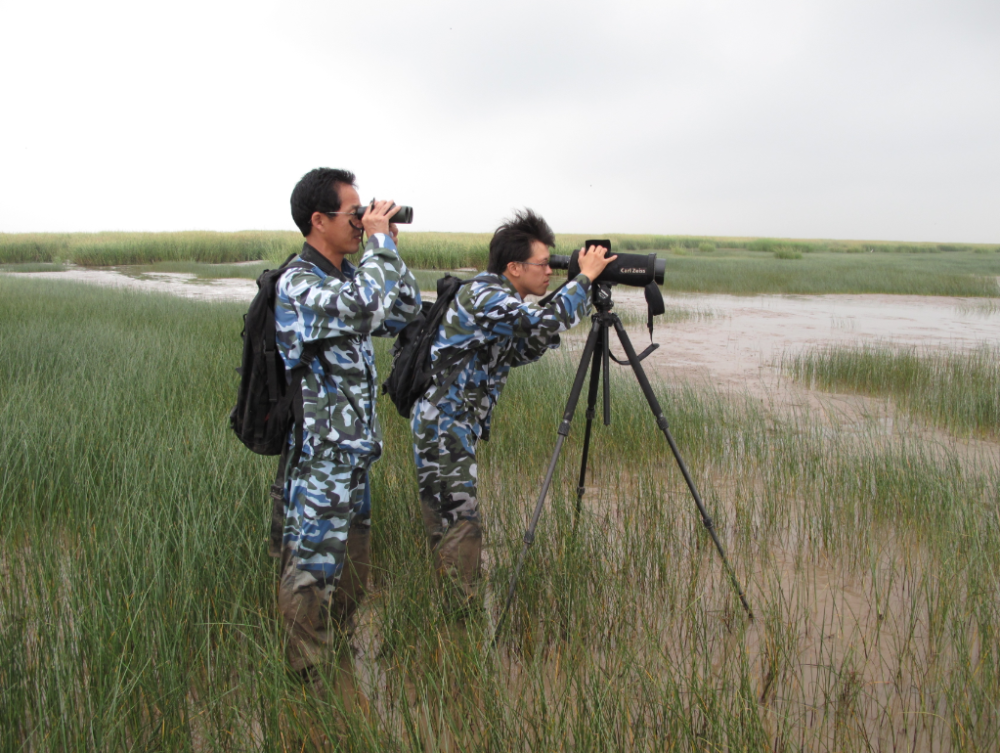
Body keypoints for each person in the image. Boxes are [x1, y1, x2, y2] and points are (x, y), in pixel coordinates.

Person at [409, 209, 615, 605]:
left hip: (454, 426)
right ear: (514, 267)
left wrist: (583, 291)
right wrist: (584, 278)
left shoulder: (502, 299)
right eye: (544, 263)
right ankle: (459, 615)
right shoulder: (484, 294)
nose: (551, 271)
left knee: (453, 523)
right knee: (458, 524)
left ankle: (451, 604)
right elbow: (537, 325)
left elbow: (522, 349)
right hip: (442, 426)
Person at [271, 167, 420, 674]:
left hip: (355, 459)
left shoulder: (349, 277)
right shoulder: (299, 283)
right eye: (354, 214)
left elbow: (402, 311)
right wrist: (377, 248)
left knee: (353, 576)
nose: (362, 223)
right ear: (318, 220)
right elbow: (363, 309)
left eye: (365, 214)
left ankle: (340, 669)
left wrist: (389, 248)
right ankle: (304, 684)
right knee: (311, 576)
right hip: (320, 461)